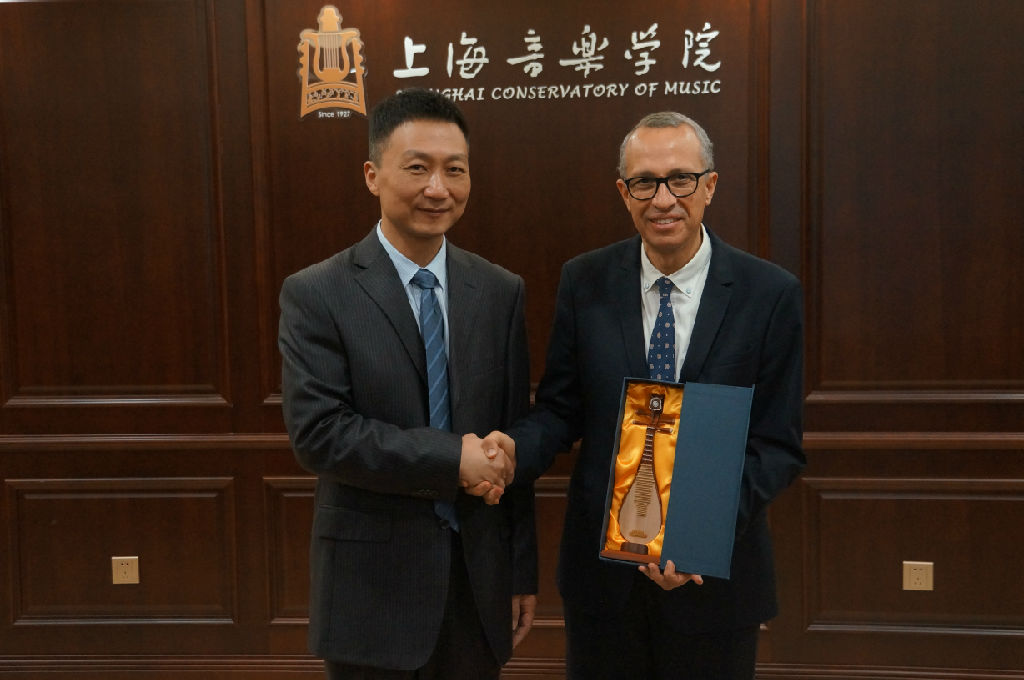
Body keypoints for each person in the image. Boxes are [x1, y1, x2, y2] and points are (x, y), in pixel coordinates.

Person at [507, 111, 805, 679]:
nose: (663, 199)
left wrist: (693, 536)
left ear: (709, 186)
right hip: (603, 587)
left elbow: (777, 445)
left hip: (715, 582)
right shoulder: (585, 281)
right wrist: (511, 451)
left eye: (680, 179)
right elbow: (561, 409)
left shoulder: (768, 294)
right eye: (645, 182)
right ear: (624, 193)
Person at [279, 88, 537, 680]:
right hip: (371, 593)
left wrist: (520, 571)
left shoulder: (499, 291)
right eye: (417, 168)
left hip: (477, 587)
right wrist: (453, 460)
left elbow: (511, 438)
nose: (438, 188)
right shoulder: (317, 292)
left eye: (455, 170)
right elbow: (320, 435)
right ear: (373, 176)